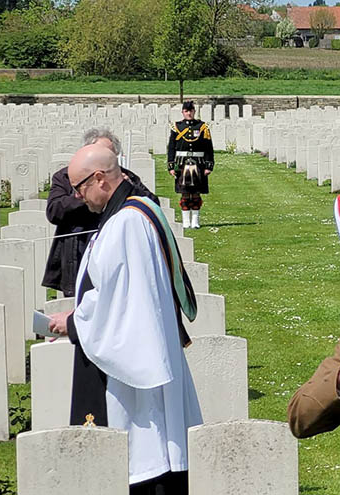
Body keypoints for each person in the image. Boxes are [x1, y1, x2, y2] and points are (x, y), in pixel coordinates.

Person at [47, 145, 201, 495]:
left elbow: (122, 308)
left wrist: (73, 324)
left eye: (80, 187)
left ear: (99, 178)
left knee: (146, 454)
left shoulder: (127, 224)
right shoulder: (137, 211)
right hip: (145, 352)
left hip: (133, 379)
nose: (77, 196)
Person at [43, 128, 155, 297]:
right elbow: (54, 212)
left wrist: (124, 190)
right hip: (76, 249)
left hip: (114, 252)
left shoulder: (125, 178)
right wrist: (87, 193)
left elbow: (151, 205)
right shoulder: (65, 177)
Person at [167, 100, 214, 229]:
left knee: (196, 193)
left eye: (191, 111)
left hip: (198, 163)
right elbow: (171, 148)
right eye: (186, 111)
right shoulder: (177, 127)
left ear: (194, 111)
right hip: (182, 164)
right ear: (183, 112)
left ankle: (195, 221)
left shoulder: (202, 127)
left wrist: (208, 165)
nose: (189, 113)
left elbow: (208, 148)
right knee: (185, 193)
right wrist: (171, 166)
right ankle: (186, 221)